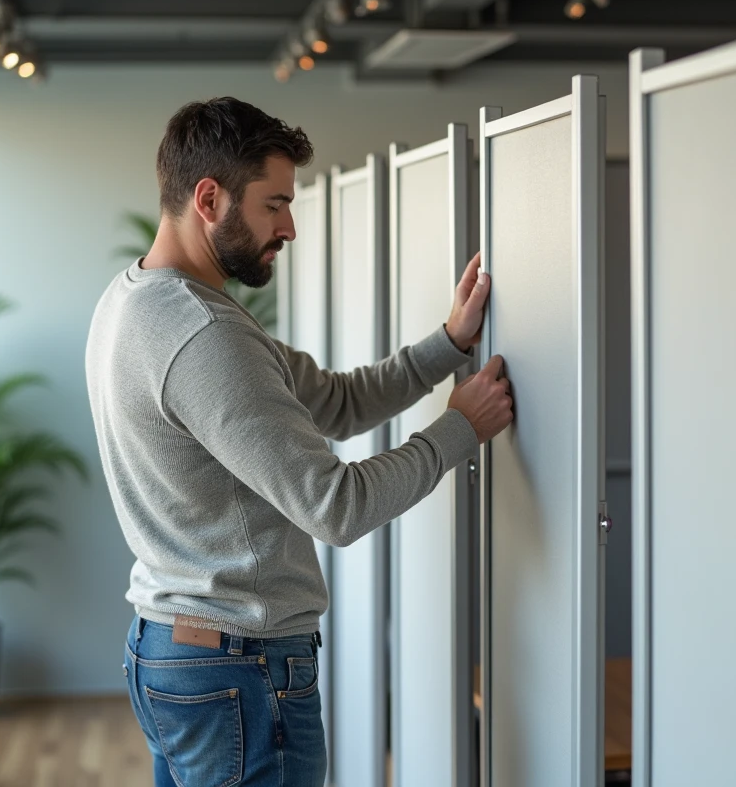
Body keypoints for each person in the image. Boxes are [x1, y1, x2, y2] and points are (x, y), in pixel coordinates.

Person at [84, 97, 513, 787]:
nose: (289, 227)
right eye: (274, 205)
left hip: (173, 652)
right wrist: (460, 428)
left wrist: (450, 344)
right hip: (239, 670)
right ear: (209, 197)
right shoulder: (203, 336)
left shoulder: (134, 300)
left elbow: (335, 402)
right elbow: (335, 507)